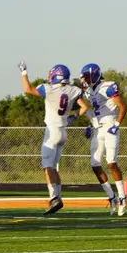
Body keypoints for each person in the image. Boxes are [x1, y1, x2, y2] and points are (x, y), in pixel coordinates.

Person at [18, 61, 89, 214]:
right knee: (53, 167)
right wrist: (74, 117)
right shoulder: (73, 90)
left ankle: (54, 198)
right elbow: (84, 107)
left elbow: (28, 89)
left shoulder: (48, 89)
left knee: (47, 166)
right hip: (63, 131)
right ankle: (57, 197)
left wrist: (23, 72)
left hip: (52, 131)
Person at [80, 63, 127, 216]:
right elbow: (94, 111)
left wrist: (117, 124)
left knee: (111, 162)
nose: (85, 80)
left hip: (110, 126)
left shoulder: (107, 86)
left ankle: (122, 197)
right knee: (95, 164)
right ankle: (111, 197)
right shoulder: (89, 91)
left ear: (94, 75)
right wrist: (90, 125)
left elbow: (123, 107)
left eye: (87, 77)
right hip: (98, 128)